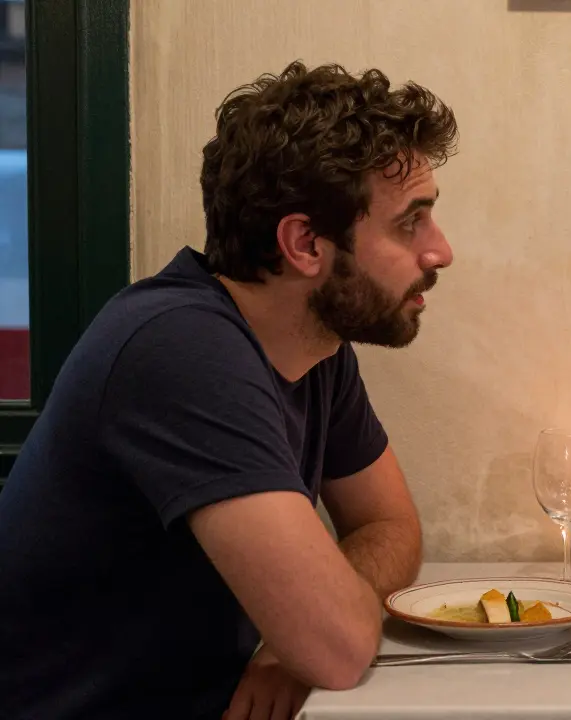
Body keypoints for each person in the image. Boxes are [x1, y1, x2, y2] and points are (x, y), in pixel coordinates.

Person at [0, 61, 456, 720]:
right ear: (304, 244)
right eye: (411, 222)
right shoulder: (179, 349)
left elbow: (390, 525)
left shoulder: (316, 345)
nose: (440, 252)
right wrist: (313, 629)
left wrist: (290, 637)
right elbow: (337, 648)